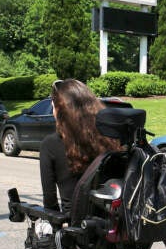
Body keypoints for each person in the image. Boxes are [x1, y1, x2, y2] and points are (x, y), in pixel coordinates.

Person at [40, 79, 120, 215]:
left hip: (75, 226)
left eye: (53, 107)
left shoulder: (51, 144)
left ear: (60, 110)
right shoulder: (109, 138)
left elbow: (49, 200)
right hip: (110, 222)